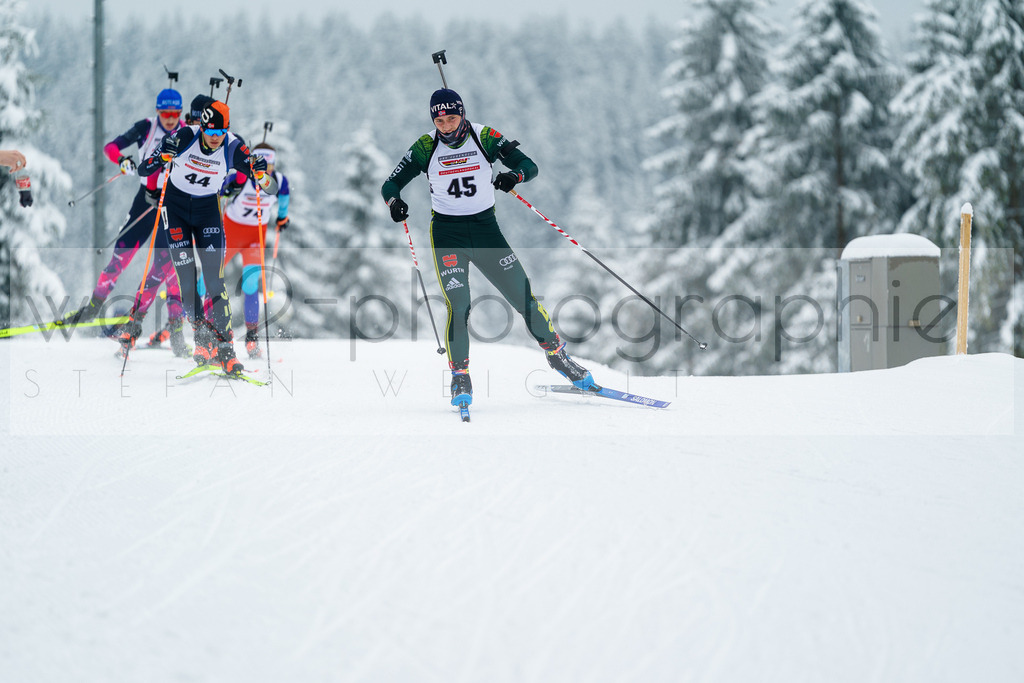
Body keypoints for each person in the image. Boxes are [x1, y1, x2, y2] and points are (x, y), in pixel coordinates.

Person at [381, 88, 594, 408]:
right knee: (459, 305)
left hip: (486, 232)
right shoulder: (425, 146)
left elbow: (529, 165)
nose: (446, 126)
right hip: (447, 235)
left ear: (462, 114)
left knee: (524, 298)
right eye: (439, 120)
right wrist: (394, 202)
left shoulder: (485, 136)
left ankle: (558, 357)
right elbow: (390, 184)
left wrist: (514, 176)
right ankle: (459, 376)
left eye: (452, 118)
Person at [138, 100, 278, 375]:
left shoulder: (233, 146)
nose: (215, 138)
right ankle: (202, 337)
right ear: (201, 126)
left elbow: (270, 188)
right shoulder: (184, 136)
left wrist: (260, 174)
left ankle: (226, 350)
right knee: (187, 280)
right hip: (176, 211)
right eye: (210, 132)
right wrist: (161, 157)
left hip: (207, 214)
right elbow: (145, 170)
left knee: (215, 280)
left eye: (220, 132)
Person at [60, 89, 188, 357]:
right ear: (157, 111)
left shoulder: (187, 132)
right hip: (146, 200)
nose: (169, 119)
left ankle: (176, 331)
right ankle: (94, 306)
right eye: (165, 113)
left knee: (169, 267)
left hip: (173, 205)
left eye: (174, 114)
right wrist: (123, 161)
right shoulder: (146, 127)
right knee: (121, 254)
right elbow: (111, 147)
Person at [219, 142, 291, 358]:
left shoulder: (278, 181)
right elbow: (219, 195)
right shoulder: (240, 177)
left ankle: (252, 337)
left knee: (251, 283)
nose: (266, 168)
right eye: (262, 163)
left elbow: (284, 199)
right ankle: (204, 327)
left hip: (254, 238)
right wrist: (226, 191)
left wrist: (282, 218)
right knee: (211, 276)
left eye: (270, 164)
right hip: (230, 233)